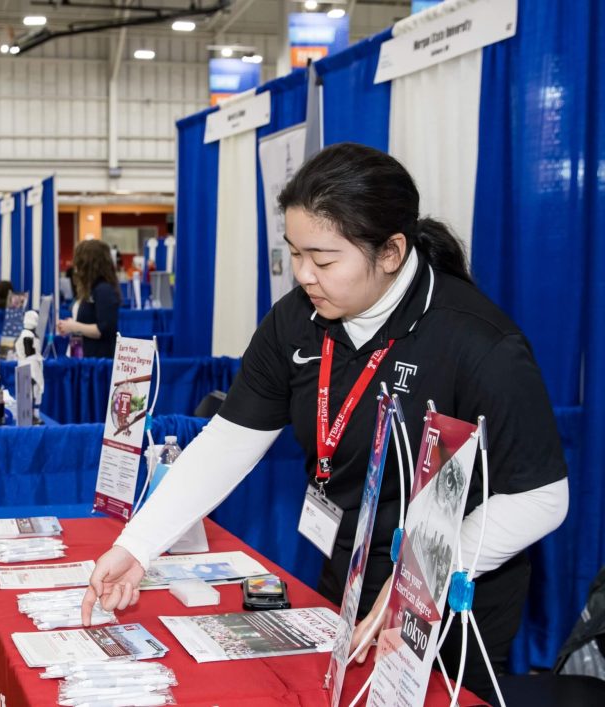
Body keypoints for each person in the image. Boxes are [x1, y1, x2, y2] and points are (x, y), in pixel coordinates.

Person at [80, 143, 569, 700]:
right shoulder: (297, 322)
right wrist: (136, 546)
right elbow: (227, 442)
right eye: (294, 253)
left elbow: (542, 497)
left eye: (324, 259)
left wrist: (417, 579)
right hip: (350, 566)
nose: (304, 275)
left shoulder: (479, 342)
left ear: (390, 252)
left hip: (452, 592)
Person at [57, 239, 121, 358]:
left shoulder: (104, 290)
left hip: (98, 362)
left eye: (79, 262)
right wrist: (70, 325)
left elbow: (104, 329)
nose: (76, 267)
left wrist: (73, 326)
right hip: (86, 357)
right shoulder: (91, 288)